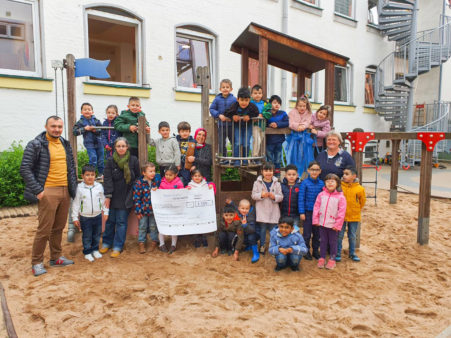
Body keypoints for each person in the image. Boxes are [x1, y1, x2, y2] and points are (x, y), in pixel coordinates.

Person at [20, 116, 77, 276]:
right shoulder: (36, 144)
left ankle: (56, 257)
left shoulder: (65, 144)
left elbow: (71, 167)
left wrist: (73, 189)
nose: (57, 129)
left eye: (59, 126)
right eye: (53, 126)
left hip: (64, 190)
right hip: (47, 191)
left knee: (58, 228)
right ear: (46, 126)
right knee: (44, 230)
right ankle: (36, 262)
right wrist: (38, 190)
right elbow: (25, 168)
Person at [100, 137, 141, 257]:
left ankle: (118, 246)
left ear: (127, 147)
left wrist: (134, 192)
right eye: (118, 146)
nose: (121, 148)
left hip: (127, 195)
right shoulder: (110, 161)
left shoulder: (133, 160)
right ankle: (107, 243)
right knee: (110, 221)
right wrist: (108, 195)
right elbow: (107, 179)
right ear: (115, 148)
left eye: (123, 146)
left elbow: (138, 177)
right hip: (113, 195)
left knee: (121, 222)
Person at [71, 165, 109, 262]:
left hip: (97, 215)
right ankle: (87, 252)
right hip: (85, 217)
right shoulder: (79, 188)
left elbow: (103, 199)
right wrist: (75, 217)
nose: (90, 177)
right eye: (87, 175)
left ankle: (95, 249)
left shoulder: (99, 186)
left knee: (96, 234)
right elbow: (75, 203)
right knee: (87, 235)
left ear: (95, 175)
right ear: (82, 176)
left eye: (92, 175)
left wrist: (106, 211)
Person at [312, 173, 346, 270]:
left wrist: (337, 225)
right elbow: (316, 207)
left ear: (337, 183)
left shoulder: (340, 197)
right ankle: (322, 258)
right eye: (327, 181)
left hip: (333, 225)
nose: (330, 183)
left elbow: (341, 213)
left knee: (333, 242)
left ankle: (332, 259)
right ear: (325, 183)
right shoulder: (321, 195)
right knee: (323, 242)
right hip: (322, 223)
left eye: (332, 181)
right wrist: (316, 220)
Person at [251, 162, 283, 255]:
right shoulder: (257, 183)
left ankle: (273, 246)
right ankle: (262, 245)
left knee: (273, 231)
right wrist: (261, 195)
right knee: (263, 230)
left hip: (273, 211)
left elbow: (281, 196)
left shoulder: (277, 183)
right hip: (262, 211)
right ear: (262, 172)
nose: (268, 173)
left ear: (273, 172)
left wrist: (274, 197)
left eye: (270, 170)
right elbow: (253, 195)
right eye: (266, 170)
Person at [224, 87, 260, 166]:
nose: (244, 102)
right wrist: (233, 116)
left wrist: (249, 116)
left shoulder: (252, 106)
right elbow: (226, 113)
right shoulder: (235, 105)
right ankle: (236, 160)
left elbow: (256, 113)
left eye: (246, 100)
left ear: (249, 100)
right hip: (237, 126)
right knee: (237, 142)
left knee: (246, 142)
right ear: (238, 99)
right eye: (242, 100)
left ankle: (245, 160)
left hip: (248, 126)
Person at [337, 167, 366, 262]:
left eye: (346, 174)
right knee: (339, 235)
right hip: (341, 216)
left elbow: (362, 202)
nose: (344, 176)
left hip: (354, 216)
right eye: (343, 174)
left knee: (352, 235)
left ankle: (352, 253)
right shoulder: (339, 186)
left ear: (354, 176)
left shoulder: (359, 188)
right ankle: (338, 253)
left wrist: (356, 209)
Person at [133, 162, 161, 254]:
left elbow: (161, 186)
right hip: (143, 211)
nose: (153, 173)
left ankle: (154, 242)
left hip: (154, 211)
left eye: (154, 171)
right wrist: (138, 211)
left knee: (153, 227)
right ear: (144, 173)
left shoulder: (156, 181)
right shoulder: (139, 183)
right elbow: (136, 198)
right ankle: (141, 243)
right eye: (150, 171)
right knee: (142, 227)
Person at [298, 161, 324, 260]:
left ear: (320, 171)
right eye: (312, 170)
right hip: (308, 212)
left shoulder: (322, 183)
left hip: (319, 213)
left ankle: (315, 250)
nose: (314, 172)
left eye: (316, 170)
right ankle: (306, 251)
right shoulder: (304, 183)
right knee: (307, 234)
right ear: (308, 171)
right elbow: (301, 198)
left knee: (317, 234)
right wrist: (302, 212)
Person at [157, 164, 184, 254]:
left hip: (175, 209)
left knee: (174, 226)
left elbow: (182, 195)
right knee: (162, 225)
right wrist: (155, 191)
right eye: (166, 174)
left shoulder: (179, 183)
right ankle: (161, 244)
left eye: (170, 175)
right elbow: (159, 194)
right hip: (164, 209)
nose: (168, 177)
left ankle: (173, 245)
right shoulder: (162, 182)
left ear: (175, 175)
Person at [73, 102, 104, 178]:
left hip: (99, 142)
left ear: (92, 112)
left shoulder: (96, 121)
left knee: (101, 159)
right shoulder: (80, 122)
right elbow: (75, 132)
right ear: (81, 112)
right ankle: (91, 173)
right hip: (89, 143)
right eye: (85, 109)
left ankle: (101, 174)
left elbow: (102, 130)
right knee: (93, 158)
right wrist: (84, 129)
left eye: (89, 109)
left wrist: (95, 130)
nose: (87, 111)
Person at [187, 169, 215, 248]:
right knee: (195, 224)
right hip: (194, 210)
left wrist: (210, 187)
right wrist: (187, 190)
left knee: (203, 224)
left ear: (202, 177)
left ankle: (204, 239)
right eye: (195, 176)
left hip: (203, 209)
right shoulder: (189, 185)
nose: (197, 177)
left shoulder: (205, 185)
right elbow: (185, 195)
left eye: (199, 176)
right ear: (192, 177)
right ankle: (196, 240)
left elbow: (213, 191)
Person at [209, 79, 236, 160]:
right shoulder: (217, 99)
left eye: (227, 87)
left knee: (234, 142)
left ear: (231, 89)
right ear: (220, 89)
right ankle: (224, 158)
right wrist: (219, 115)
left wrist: (232, 117)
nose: (225, 89)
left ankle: (234, 158)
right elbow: (212, 109)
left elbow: (237, 110)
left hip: (232, 126)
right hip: (221, 126)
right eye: (223, 87)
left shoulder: (234, 99)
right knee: (221, 143)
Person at [227, 198, 259, 263]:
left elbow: (252, 230)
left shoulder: (251, 216)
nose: (244, 210)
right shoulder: (238, 211)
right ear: (239, 208)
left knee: (251, 236)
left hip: (255, 233)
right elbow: (235, 207)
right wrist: (231, 202)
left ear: (249, 209)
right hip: (245, 233)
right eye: (243, 208)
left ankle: (256, 253)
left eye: (247, 209)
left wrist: (245, 225)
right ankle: (249, 246)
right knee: (239, 234)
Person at [265, 95, 288, 177]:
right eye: (274, 103)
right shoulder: (267, 114)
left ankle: (277, 173)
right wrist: (270, 125)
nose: (277, 105)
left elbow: (287, 122)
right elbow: (264, 123)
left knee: (278, 159)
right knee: (269, 159)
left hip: (279, 141)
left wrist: (277, 124)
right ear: (270, 104)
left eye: (278, 103)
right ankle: (269, 173)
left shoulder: (283, 113)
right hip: (268, 141)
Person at [280, 164, 302, 229]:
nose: (291, 176)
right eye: (289, 175)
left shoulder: (300, 186)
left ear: (297, 175)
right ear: (285, 175)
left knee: (294, 230)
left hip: (295, 215)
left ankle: (295, 239)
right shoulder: (281, 186)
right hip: (284, 214)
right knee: (284, 230)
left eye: (293, 174)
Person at [176, 121, 195, 186]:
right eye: (182, 131)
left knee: (187, 180)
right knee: (177, 181)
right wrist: (176, 163)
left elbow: (195, 154)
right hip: (178, 165)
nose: (185, 133)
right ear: (179, 132)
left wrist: (194, 165)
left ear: (189, 132)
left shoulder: (193, 141)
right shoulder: (176, 141)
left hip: (188, 165)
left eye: (186, 131)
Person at [250, 84, 265, 160]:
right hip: (254, 125)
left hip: (262, 125)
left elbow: (267, 112)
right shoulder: (250, 103)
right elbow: (248, 112)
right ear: (252, 95)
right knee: (257, 139)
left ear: (262, 94)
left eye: (259, 93)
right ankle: (254, 157)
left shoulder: (264, 104)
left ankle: (256, 156)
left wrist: (263, 114)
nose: (257, 95)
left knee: (260, 141)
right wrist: (255, 116)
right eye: (255, 93)